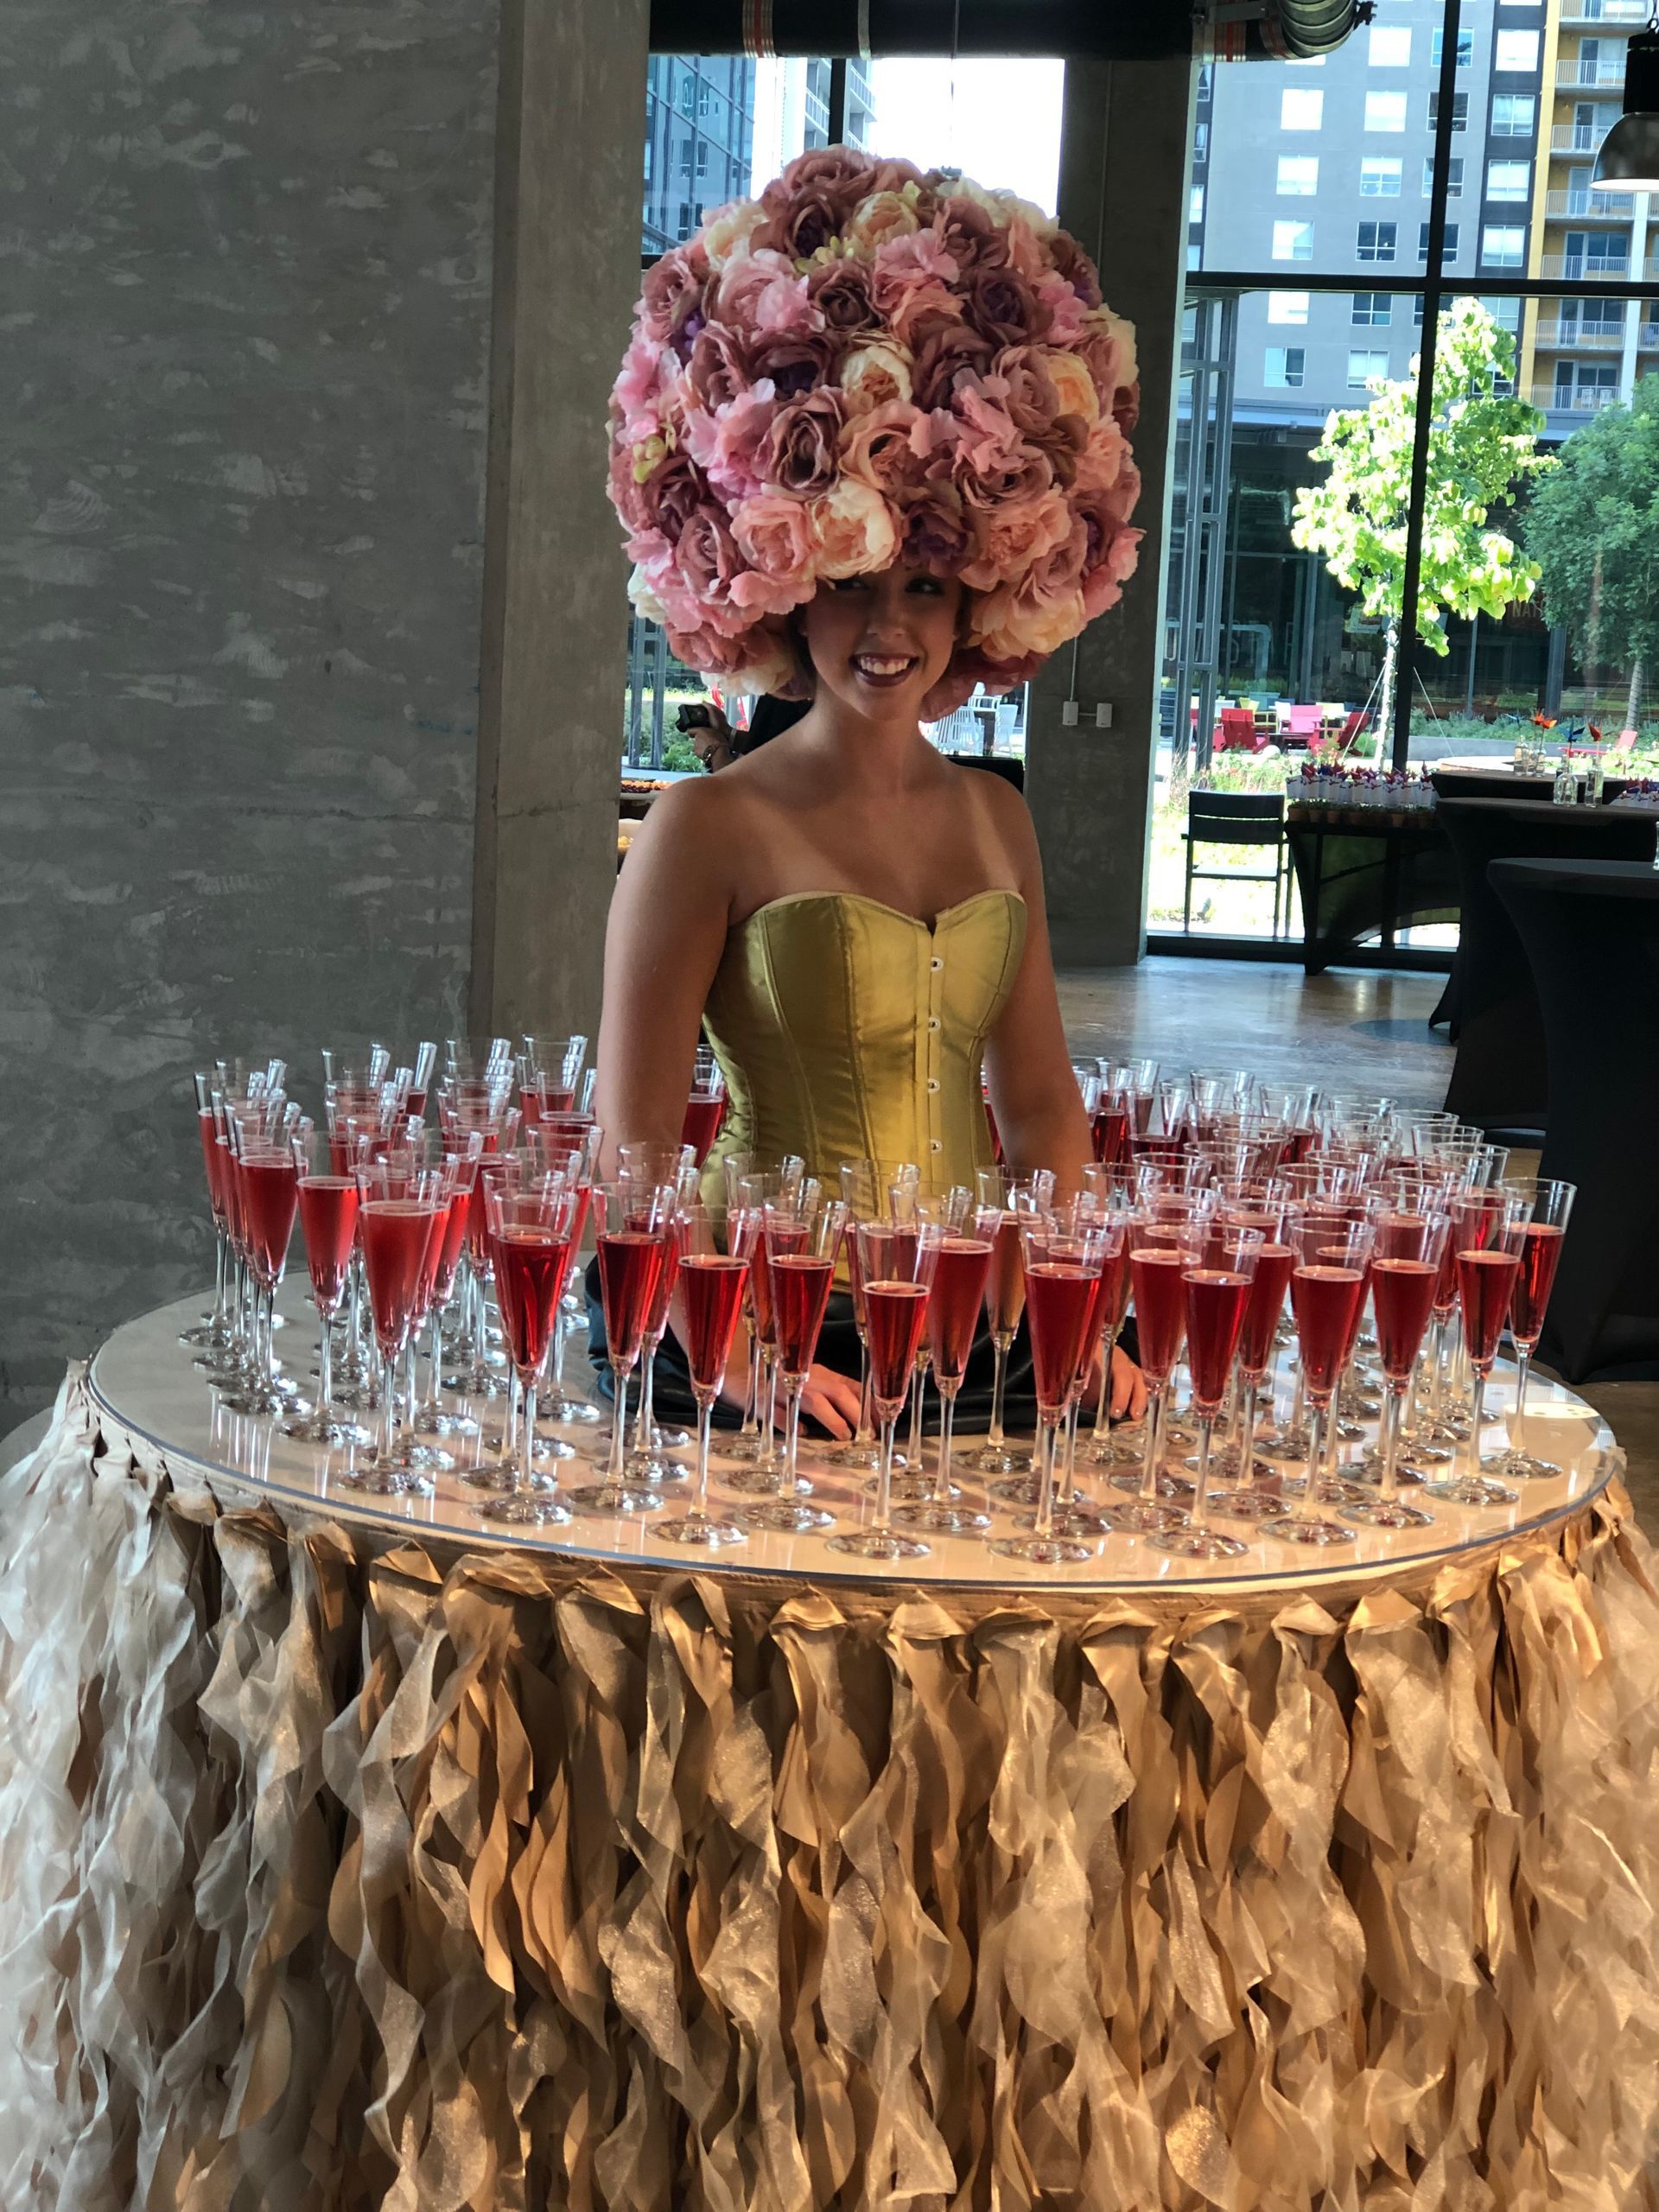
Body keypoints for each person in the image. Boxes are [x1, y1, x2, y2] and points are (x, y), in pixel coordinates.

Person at [596, 145, 1147, 1439]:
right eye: (852, 578)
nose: (887, 626)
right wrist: (720, 1350)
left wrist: (1083, 1313)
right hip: (758, 1323)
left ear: (989, 589)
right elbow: (632, 1152)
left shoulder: (995, 815)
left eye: (925, 584)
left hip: (984, 1325)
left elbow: (1044, 1110)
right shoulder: (703, 827)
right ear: (782, 570)